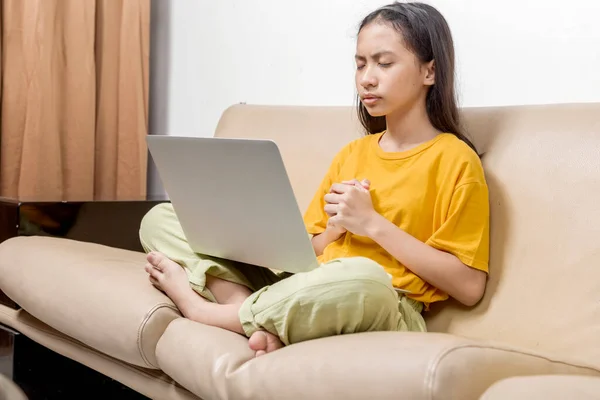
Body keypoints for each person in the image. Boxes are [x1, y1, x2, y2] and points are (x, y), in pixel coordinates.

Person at [139, 1, 489, 358]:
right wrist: (333, 232)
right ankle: (256, 314)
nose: (367, 77)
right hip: (305, 286)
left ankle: (207, 311)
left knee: (365, 278)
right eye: (360, 64)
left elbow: (470, 285)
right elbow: (306, 255)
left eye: (384, 63)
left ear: (429, 72)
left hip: (381, 301)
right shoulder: (353, 153)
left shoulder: (454, 159)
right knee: (161, 218)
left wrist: (372, 224)